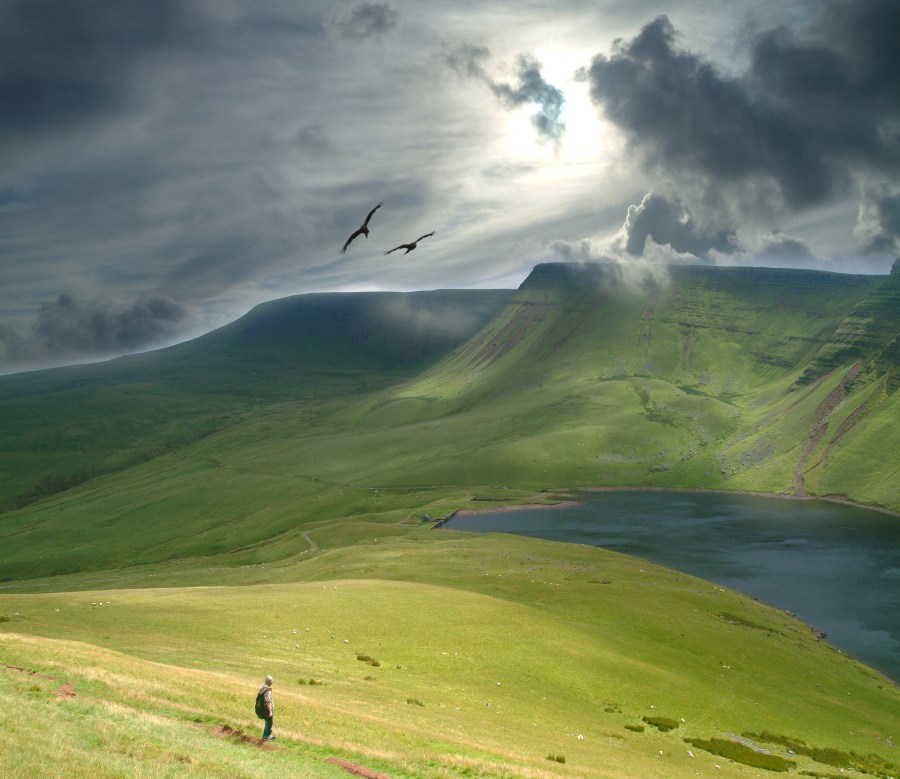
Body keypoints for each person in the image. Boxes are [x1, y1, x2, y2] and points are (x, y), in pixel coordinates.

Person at [259, 675, 275, 740]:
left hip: (262, 707)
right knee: (269, 722)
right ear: (271, 682)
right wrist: (270, 711)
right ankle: (266, 736)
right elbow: (268, 701)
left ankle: (267, 735)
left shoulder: (262, 686)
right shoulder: (268, 690)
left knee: (267, 722)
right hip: (267, 708)